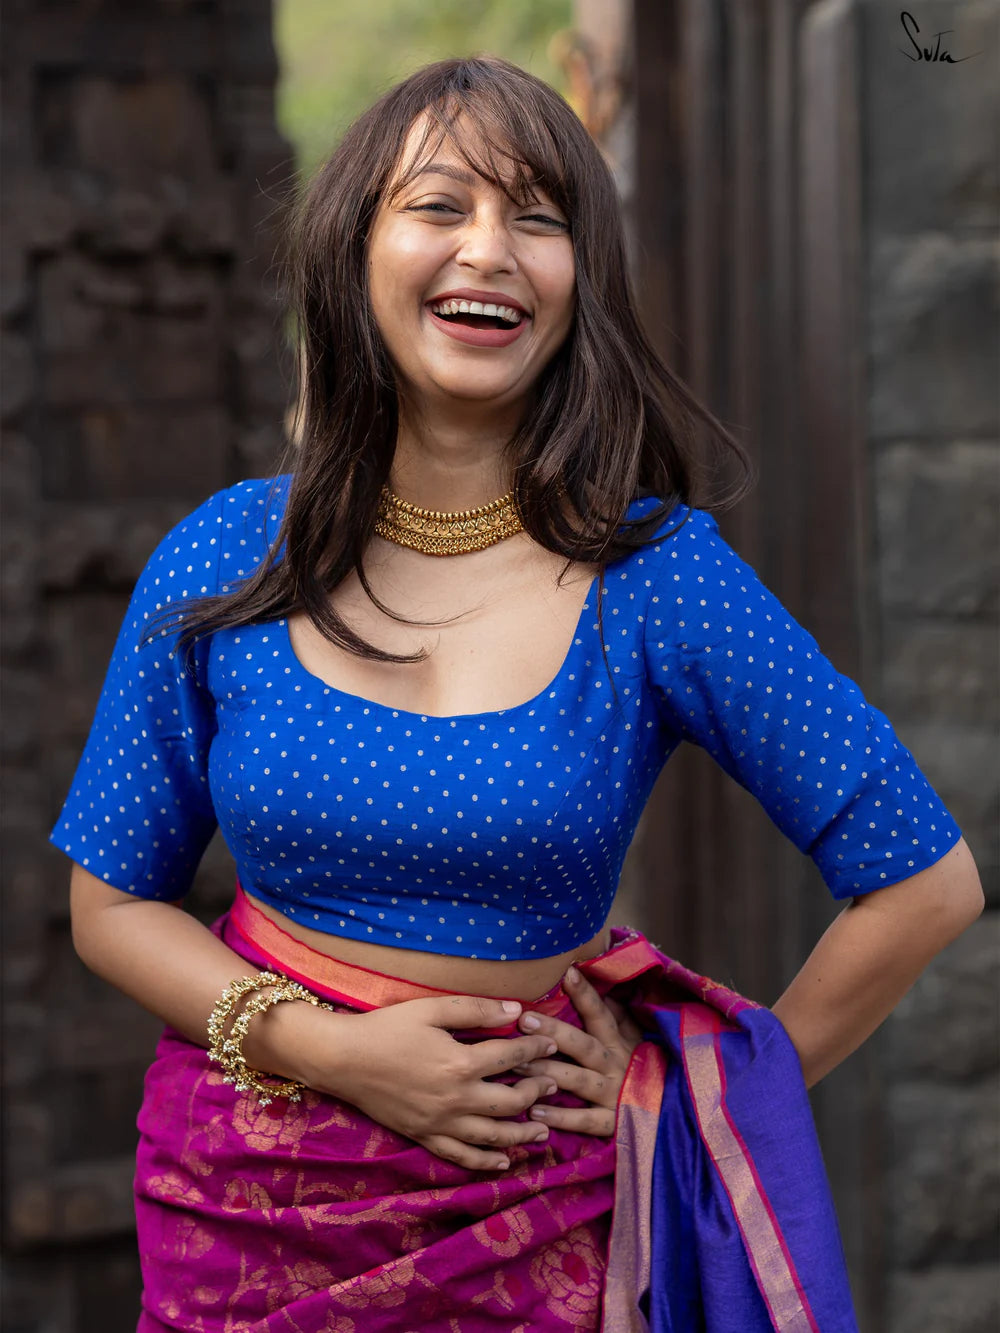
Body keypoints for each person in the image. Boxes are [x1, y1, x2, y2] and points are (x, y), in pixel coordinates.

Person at [54, 57, 982, 1333]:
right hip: (247, 1215)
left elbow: (923, 878)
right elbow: (109, 901)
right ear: (354, 251)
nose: (488, 249)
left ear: (578, 284)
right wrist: (330, 1052)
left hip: (538, 1222)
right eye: (440, 206)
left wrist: (694, 1098)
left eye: (538, 219)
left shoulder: (655, 578)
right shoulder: (228, 555)